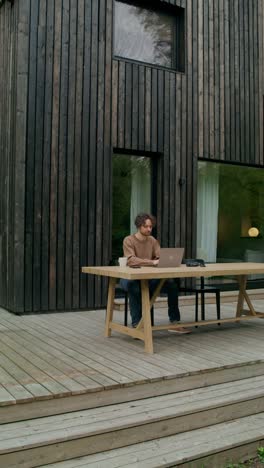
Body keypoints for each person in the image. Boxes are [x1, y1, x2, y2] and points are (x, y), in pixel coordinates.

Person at [120, 213, 191, 334]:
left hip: (148, 278)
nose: (149, 229)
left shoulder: (152, 240)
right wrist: (152, 262)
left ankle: (174, 322)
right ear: (138, 226)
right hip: (130, 277)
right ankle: (137, 325)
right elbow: (131, 259)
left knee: (172, 284)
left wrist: (166, 260)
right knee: (133, 286)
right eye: (146, 226)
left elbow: (160, 256)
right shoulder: (129, 240)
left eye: (150, 226)